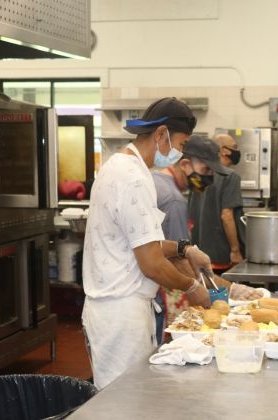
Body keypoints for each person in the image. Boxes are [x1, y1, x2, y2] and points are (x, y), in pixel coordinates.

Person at [81, 97, 212, 389]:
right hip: (120, 313)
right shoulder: (133, 178)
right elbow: (151, 264)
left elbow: (141, 242)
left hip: (117, 309)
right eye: (181, 144)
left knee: (129, 397)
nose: (180, 152)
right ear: (161, 134)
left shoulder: (121, 166)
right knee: (124, 401)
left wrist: (185, 249)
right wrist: (192, 287)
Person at [154, 136, 263, 343]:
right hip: (155, 295)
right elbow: (181, 265)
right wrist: (232, 289)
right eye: (205, 171)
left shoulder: (159, 181)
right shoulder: (174, 200)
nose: (209, 179)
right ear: (185, 165)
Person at [188, 133, 245, 271]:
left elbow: (191, 211)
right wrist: (235, 251)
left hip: (199, 252)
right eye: (234, 147)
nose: (236, 151)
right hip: (222, 254)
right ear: (224, 150)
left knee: (206, 284)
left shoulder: (197, 174)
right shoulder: (230, 176)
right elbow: (227, 216)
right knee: (223, 285)